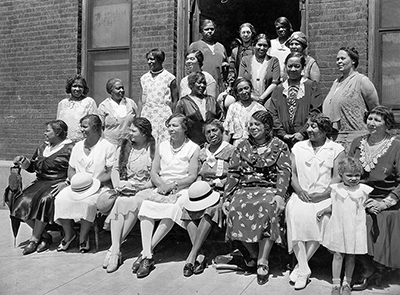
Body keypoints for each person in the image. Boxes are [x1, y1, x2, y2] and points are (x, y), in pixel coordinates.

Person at [223, 110, 291, 285]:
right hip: (245, 188)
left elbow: (284, 172)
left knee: (269, 207)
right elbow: (233, 172)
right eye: (251, 124)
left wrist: (280, 195)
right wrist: (227, 197)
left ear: (267, 127)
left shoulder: (279, 145)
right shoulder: (242, 146)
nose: (253, 127)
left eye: (257, 124)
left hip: (270, 189)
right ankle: (253, 253)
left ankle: (263, 259)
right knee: (235, 208)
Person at [132, 114, 200, 278]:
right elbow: (154, 172)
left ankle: (145, 254)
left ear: (184, 128)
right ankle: (148, 255)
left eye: (175, 125)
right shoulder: (162, 146)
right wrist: (162, 185)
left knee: (171, 210)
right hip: (162, 186)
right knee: (147, 208)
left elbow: (192, 176)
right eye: (169, 125)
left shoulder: (193, 147)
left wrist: (173, 185)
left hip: (181, 188)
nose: (171, 129)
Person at [285, 113, 345, 290]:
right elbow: (292, 173)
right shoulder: (298, 147)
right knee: (294, 214)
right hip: (301, 195)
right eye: (308, 126)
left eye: (313, 126)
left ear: (325, 130)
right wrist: (299, 190)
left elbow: (336, 177)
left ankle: (301, 268)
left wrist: (325, 194)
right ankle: (304, 269)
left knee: (323, 219)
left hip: (325, 195)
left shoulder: (336, 149)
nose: (309, 130)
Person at [347, 106, 400, 290]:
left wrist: (385, 202)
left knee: (371, 220)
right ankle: (366, 267)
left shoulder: (396, 145)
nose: (372, 123)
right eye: (370, 119)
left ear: (387, 124)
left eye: (378, 120)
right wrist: (360, 199)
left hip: (386, 199)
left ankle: (374, 268)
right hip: (358, 196)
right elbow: (348, 172)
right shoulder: (357, 142)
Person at [100, 117, 155, 273]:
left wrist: (142, 186)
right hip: (126, 186)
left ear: (144, 133)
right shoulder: (124, 146)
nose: (129, 133)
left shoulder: (153, 147)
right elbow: (116, 170)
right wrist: (118, 185)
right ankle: (116, 249)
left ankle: (113, 250)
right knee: (122, 201)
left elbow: (157, 174)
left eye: (133, 130)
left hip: (146, 188)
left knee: (132, 202)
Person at [181, 120, 235, 277]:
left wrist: (218, 183)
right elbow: (198, 174)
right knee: (187, 211)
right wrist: (199, 187)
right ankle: (200, 254)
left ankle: (192, 255)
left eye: (215, 130)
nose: (212, 134)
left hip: (221, 190)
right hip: (203, 191)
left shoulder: (231, 150)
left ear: (221, 131)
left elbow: (234, 175)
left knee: (210, 210)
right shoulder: (203, 152)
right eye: (208, 132)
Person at [54, 114, 116, 252]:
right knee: (60, 199)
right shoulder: (77, 146)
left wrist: (94, 183)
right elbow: (71, 168)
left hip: (99, 186)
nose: (82, 129)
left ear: (95, 128)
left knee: (88, 203)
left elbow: (111, 171)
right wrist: (74, 182)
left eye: (85, 126)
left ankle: (83, 236)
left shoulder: (107, 146)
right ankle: (69, 234)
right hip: (77, 185)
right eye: (81, 126)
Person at [11, 120, 74, 255]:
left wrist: (67, 182)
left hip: (58, 183)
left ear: (57, 132)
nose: (44, 133)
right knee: (20, 200)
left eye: (48, 130)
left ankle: (35, 238)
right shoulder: (42, 148)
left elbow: (77, 169)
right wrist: (25, 162)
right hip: (40, 182)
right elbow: (33, 167)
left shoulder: (70, 148)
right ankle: (44, 235)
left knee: (45, 200)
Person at [317, 157, 373, 295]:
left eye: (357, 175)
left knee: (350, 256)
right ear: (341, 175)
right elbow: (334, 205)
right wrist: (325, 210)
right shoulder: (336, 189)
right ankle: (336, 284)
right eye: (349, 175)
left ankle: (347, 283)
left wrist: (372, 206)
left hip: (354, 228)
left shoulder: (363, 191)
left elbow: (367, 205)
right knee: (338, 254)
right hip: (339, 226)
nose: (354, 178)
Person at [322, 47, 379, 152]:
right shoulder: (336, 83)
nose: (339, 61)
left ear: (353, 61)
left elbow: (375, 110)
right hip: (335, 139)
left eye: (342, 58)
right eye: (337, 59)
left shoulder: (361, 81)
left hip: (356, 139)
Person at [268, 52, 322, 147]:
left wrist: (302, 133)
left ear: (303, 67)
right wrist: (283, 134)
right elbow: (273, 113)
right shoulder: (279, 89)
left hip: (307, 139)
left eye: (297, 66)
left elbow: (315, 111)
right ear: (285, 67)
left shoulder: (312, 86)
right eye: (290, 66)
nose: (293, 69)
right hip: (283, 141)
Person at [139, 48, 178, 144]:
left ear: (160, 60)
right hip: (148, 114)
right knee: (148, 141)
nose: (149, 62)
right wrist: (139, 116)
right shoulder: (144, 78)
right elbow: (141, 99)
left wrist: (174, 117)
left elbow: (175, 100)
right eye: (148, 59)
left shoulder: (170, 78)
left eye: (152, 59)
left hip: (163, 114)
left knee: (164, 142)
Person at [175, 71, 223, 146]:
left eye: (204, 83)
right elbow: (178, 124)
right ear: (191, 84)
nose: (202, 85)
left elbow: (221, 120)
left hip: (213, 145)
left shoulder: (212, 101)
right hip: (192, 145)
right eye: (199, 83)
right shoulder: (183, 103)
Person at [238, 33, 280, 105]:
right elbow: (240, 79)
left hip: (267, 99)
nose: (262, 48)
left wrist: (261, 98)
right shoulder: (245, 60)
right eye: (259, 45)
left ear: (268, 47)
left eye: (265, 45)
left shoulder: (274, 61)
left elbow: (274, 83)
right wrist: (252, 97)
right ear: (254, 45)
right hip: (248, 97)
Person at [188, 19, 228, 94]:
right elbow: (189, 68)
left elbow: (226, 66)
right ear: (201, 31)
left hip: (219, 87)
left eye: (212, 29)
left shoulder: (220, 47)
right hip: (202, 86)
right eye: (206, 29)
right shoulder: (195, 46)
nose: (209, 31)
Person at [223, 77, 265, 146]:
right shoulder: (233, 108)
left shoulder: (260, 108)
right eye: (240, 90)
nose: (244, 92)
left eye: (246, 88)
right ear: (237, 93)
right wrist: (223, 149)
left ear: (251, 89)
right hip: (237, 145)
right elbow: (227, 131)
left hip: (255, 145)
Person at [57, 74, 97, 142]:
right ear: (70, 87)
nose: (77, 89)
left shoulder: (89, 102)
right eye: (74, 86)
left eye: (80, 86)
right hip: (65, 142)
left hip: (83, 142)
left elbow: (94, 124)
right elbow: (58, 125)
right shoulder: (62, 103)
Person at [98, 78, 138, 146]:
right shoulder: (104, 106)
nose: (121, 90)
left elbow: (138, 121)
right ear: (111, 91)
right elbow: (99, 128)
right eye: (118, 88)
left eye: (122, 88)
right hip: (110, 145)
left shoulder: (131, 103)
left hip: (129, 144)